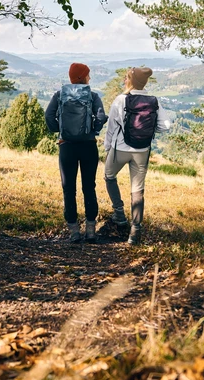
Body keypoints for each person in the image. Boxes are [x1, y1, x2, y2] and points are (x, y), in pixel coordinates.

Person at [103, 67, 173, 245]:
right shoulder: (154, 101)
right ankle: (135, 232)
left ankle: (119, 213)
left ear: (130, 81)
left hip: (121, 149)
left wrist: (107, 147)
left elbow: (111, 126)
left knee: (109, 176)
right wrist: (150, 131)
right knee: (138, 190)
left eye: (126, 78)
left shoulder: (121, 100)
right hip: (142, 151)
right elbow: (166, 125)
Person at [45, 62, 108, 243]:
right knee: (89, 187)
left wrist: (60, 130)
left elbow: (49, 116)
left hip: (67, 146)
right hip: (88, 146)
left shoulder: (59, 95)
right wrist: (93, 131)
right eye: (88, 74)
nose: (90, 77)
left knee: (68, 188)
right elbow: (101, 116)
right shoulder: (93, 96)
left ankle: (73, 230)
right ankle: (90, 229)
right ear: (83, 77)